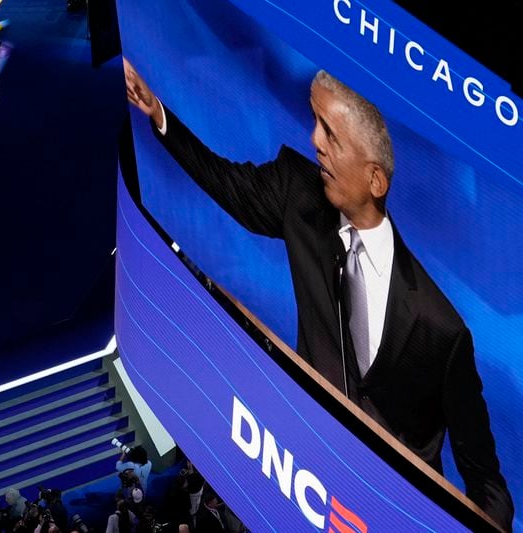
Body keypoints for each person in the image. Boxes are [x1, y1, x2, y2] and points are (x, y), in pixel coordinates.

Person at [123, 58, 514, 530]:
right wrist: (159, 115)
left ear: (375, 180)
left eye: (330, 134)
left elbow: (486, 480)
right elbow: (226, 184)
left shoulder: (443, 329)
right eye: (315, 124)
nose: (314, 142)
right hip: (305, 487)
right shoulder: (298, 194)